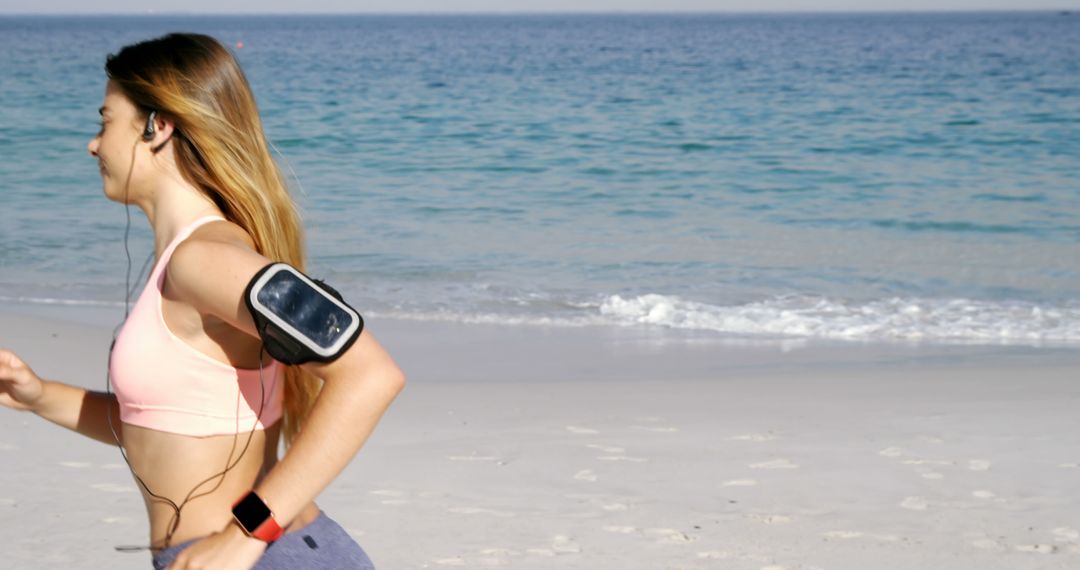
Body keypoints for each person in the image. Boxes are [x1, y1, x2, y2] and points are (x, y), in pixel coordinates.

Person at [0, 33, 405, 569]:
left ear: (157, 127)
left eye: (105, 121)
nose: (93, 145)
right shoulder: (182, 261)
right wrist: (37, 395)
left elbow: (371, 375)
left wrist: (248, 534)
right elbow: (166, 429)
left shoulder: (204, 258)